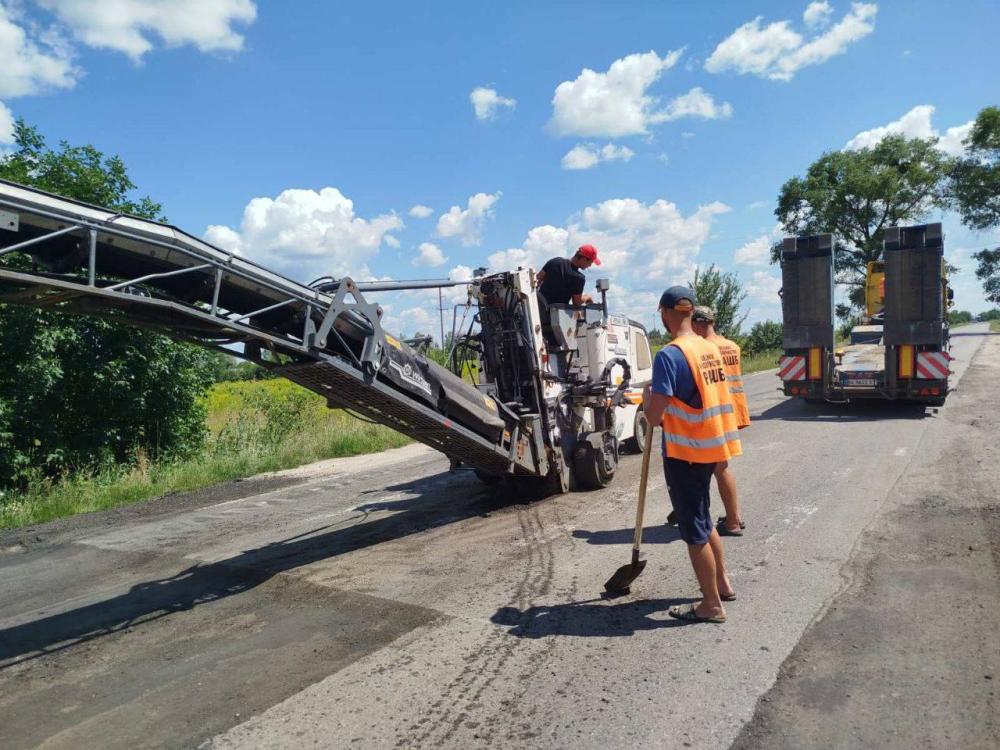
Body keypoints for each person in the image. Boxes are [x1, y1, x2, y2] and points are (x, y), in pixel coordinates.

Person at [643, 286, 742, 623]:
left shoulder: (669, 355)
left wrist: (646, 400)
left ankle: (711, 604)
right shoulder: (708, 348)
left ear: (665, 312)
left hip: (685, 451)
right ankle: (723, 583)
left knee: (694, 530)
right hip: (712, 445)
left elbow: (655, 417)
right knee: (704, 515)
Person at [692, 305, 750, 537]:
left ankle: (733, 521)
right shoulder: (732, 346)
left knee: (719, 466)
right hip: (733, 410)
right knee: (716, 465)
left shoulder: (705, 349)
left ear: (697, 324)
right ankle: (730, 515)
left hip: (716, 414)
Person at [535, 244, 600, 306]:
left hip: (538, 309)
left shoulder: (555, 261)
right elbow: (577, 302)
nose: (590, 265)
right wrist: (587, 297)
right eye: (590, 262)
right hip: (556, 315)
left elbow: (536, 281)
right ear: (584, 259)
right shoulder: (579, 278)